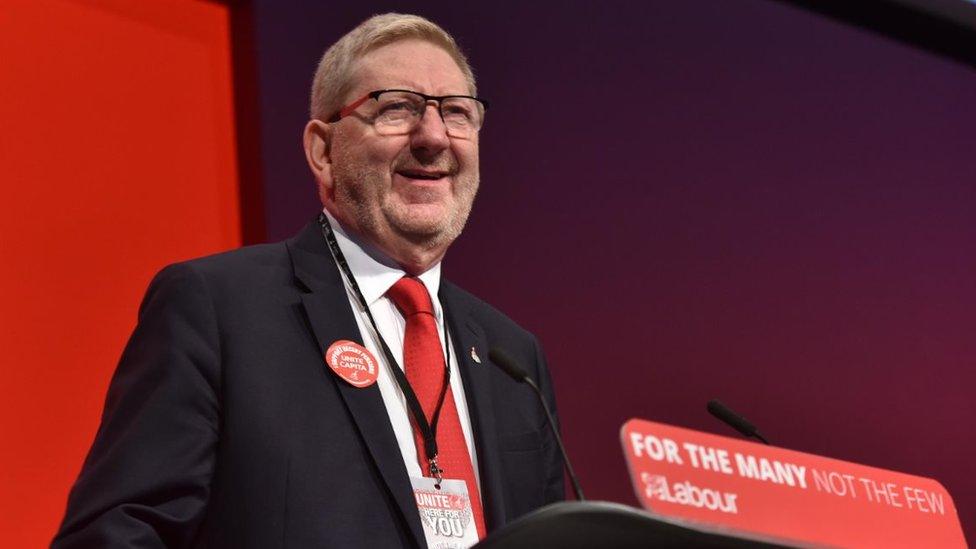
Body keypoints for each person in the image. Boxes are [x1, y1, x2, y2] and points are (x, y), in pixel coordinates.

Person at [52, 12, 564, 549]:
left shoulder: (513, 356)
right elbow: (117, 535)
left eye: (457, 113)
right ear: (322, 151)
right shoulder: (219, 311)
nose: (434, 136)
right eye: (396, 109)